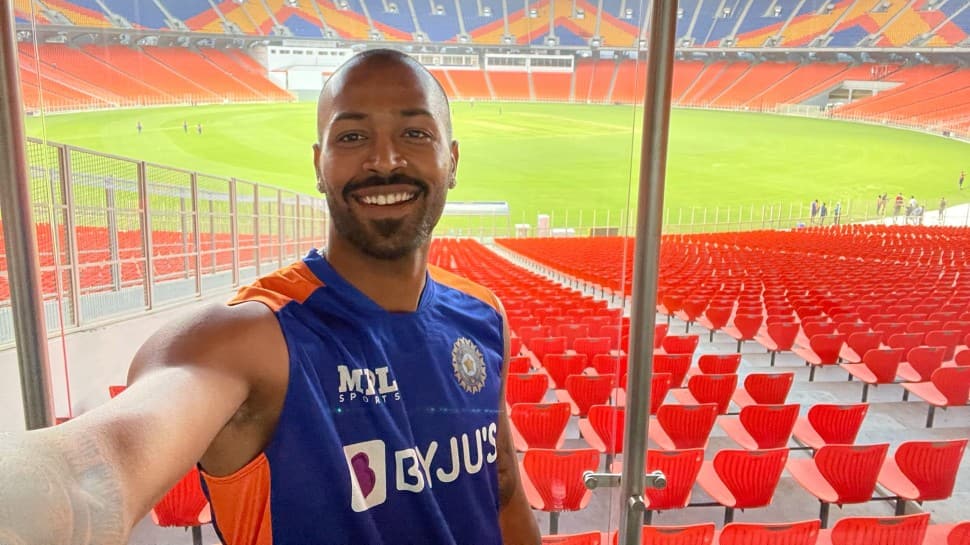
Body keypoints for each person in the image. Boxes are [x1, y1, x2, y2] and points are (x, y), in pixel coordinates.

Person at [0, 49, 540, 545]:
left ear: (452, 159)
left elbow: (505, 491)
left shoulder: (482, 313)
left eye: (415, 134)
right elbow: (95, 469)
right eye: (352, 137)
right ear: (318, 164)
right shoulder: (245, 338)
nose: (385, 160)